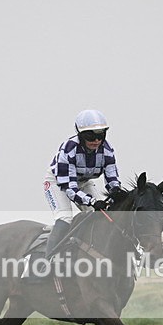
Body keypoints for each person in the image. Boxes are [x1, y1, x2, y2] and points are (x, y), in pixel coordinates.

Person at [43, 109, 121, 258]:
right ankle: (47, 261)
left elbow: (112, 180)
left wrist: (116, 193)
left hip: (83, 181)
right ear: (80, 134)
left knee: (101, 217)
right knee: (65, 218)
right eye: (90, 135)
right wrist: (92, 201)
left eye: (100, 135)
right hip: (58, 182)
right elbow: (70, 189)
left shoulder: (107, 150)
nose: (96, 140)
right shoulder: (69, 149)